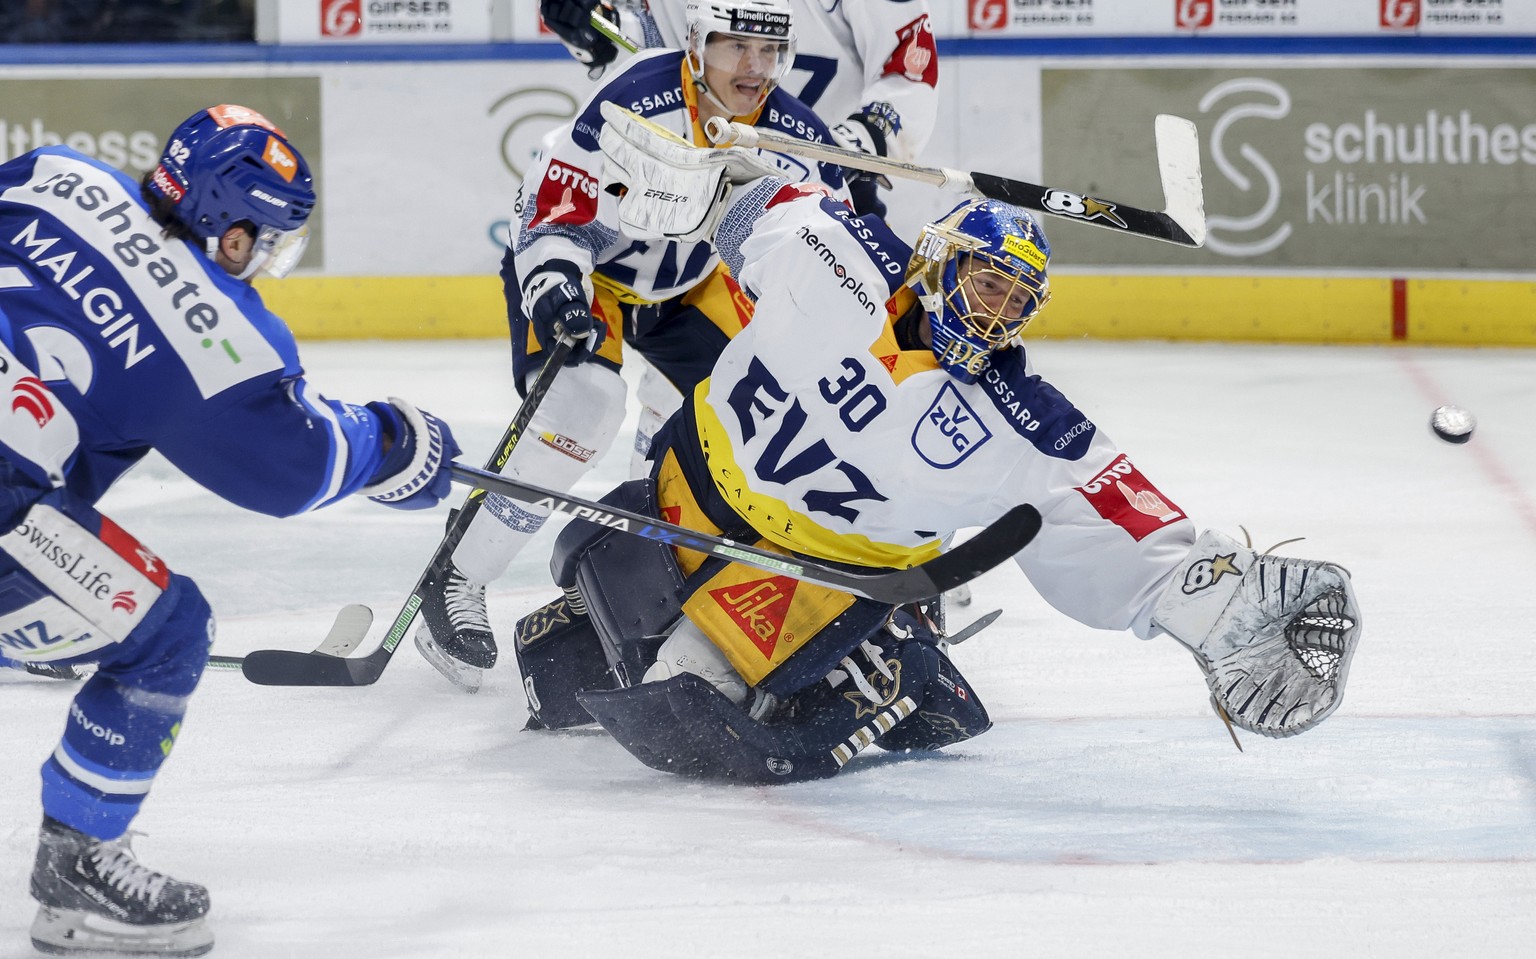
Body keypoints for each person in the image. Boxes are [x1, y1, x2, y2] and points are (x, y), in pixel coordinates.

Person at [501, 105, 1364, 783]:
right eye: (983, 283)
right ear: (934, 264)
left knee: (674, 719)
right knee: (553, 659)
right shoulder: (833, 249)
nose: (991, 314)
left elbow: (1129, 524)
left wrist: (1223, 601)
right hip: (682, 492)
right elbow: (740, 199)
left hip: (797, 580)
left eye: (1013, 303)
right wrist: (703, 164)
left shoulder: (1026, 424)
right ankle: (837, 649)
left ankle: (881, 659)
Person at [0, 104, 460, 958]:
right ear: (234, 232)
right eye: (271, 240)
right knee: (169, 631)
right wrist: (397, 442)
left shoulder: (60, 175)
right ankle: (77, 867)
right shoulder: (214, 325)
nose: (265, 261)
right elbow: (294, 468)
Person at [413, 0, 851, 691]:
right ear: (698, 43)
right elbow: (555, 208)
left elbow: (839, 246)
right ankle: (459, 571)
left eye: (769, 51)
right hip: (595, 274)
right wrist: (556, 285)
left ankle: (632, 584)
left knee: (759, 415)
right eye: (737, 47)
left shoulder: (795, 132)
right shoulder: (633, 101)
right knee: (581, 407)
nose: (755, 67)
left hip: (687, 287)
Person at [540, 0, 939, 217]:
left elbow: (909, 68)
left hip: (821, 184)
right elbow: (654, 50)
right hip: (691, 185)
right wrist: (591, 28)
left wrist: (856, 146)